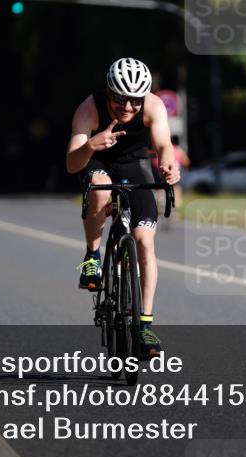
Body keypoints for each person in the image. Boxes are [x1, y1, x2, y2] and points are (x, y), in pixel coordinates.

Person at [65, 57, 179, 358]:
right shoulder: (89, 108)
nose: (128, 108)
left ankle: (144, 326)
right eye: (120, 100)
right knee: (101, 193)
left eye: (135, 101)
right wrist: (91, 145)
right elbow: (71, 163)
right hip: (99, 161)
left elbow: (164, 145)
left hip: (137, 165)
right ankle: (92, 255)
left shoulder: (153, 106)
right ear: (108, 92)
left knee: (144, 242)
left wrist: (169, 165)